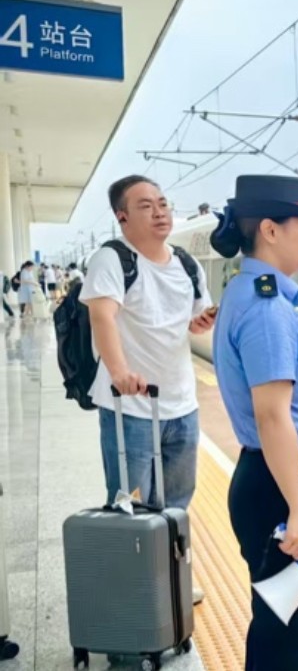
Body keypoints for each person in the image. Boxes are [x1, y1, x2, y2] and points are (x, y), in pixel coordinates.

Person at [211, 174, 298, 671]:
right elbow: (272, 416)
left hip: (279, 477)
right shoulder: (268, 307)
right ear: (270, 229)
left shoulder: (252, 292)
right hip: (288, 480)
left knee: (283, 622)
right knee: (291, 634)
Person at [79, 175, 215, 606]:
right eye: (145, 206)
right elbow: (102, 317)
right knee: (127, 502)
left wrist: (201, 323)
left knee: (176, 500)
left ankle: (172, 578)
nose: (160, 211)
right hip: (129, 407)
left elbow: (192, 317)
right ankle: (127, 586)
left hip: (181, 403)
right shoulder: (112, 259)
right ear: (122, 217)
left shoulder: (186, 265)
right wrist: (119, 371)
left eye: (162, 203)